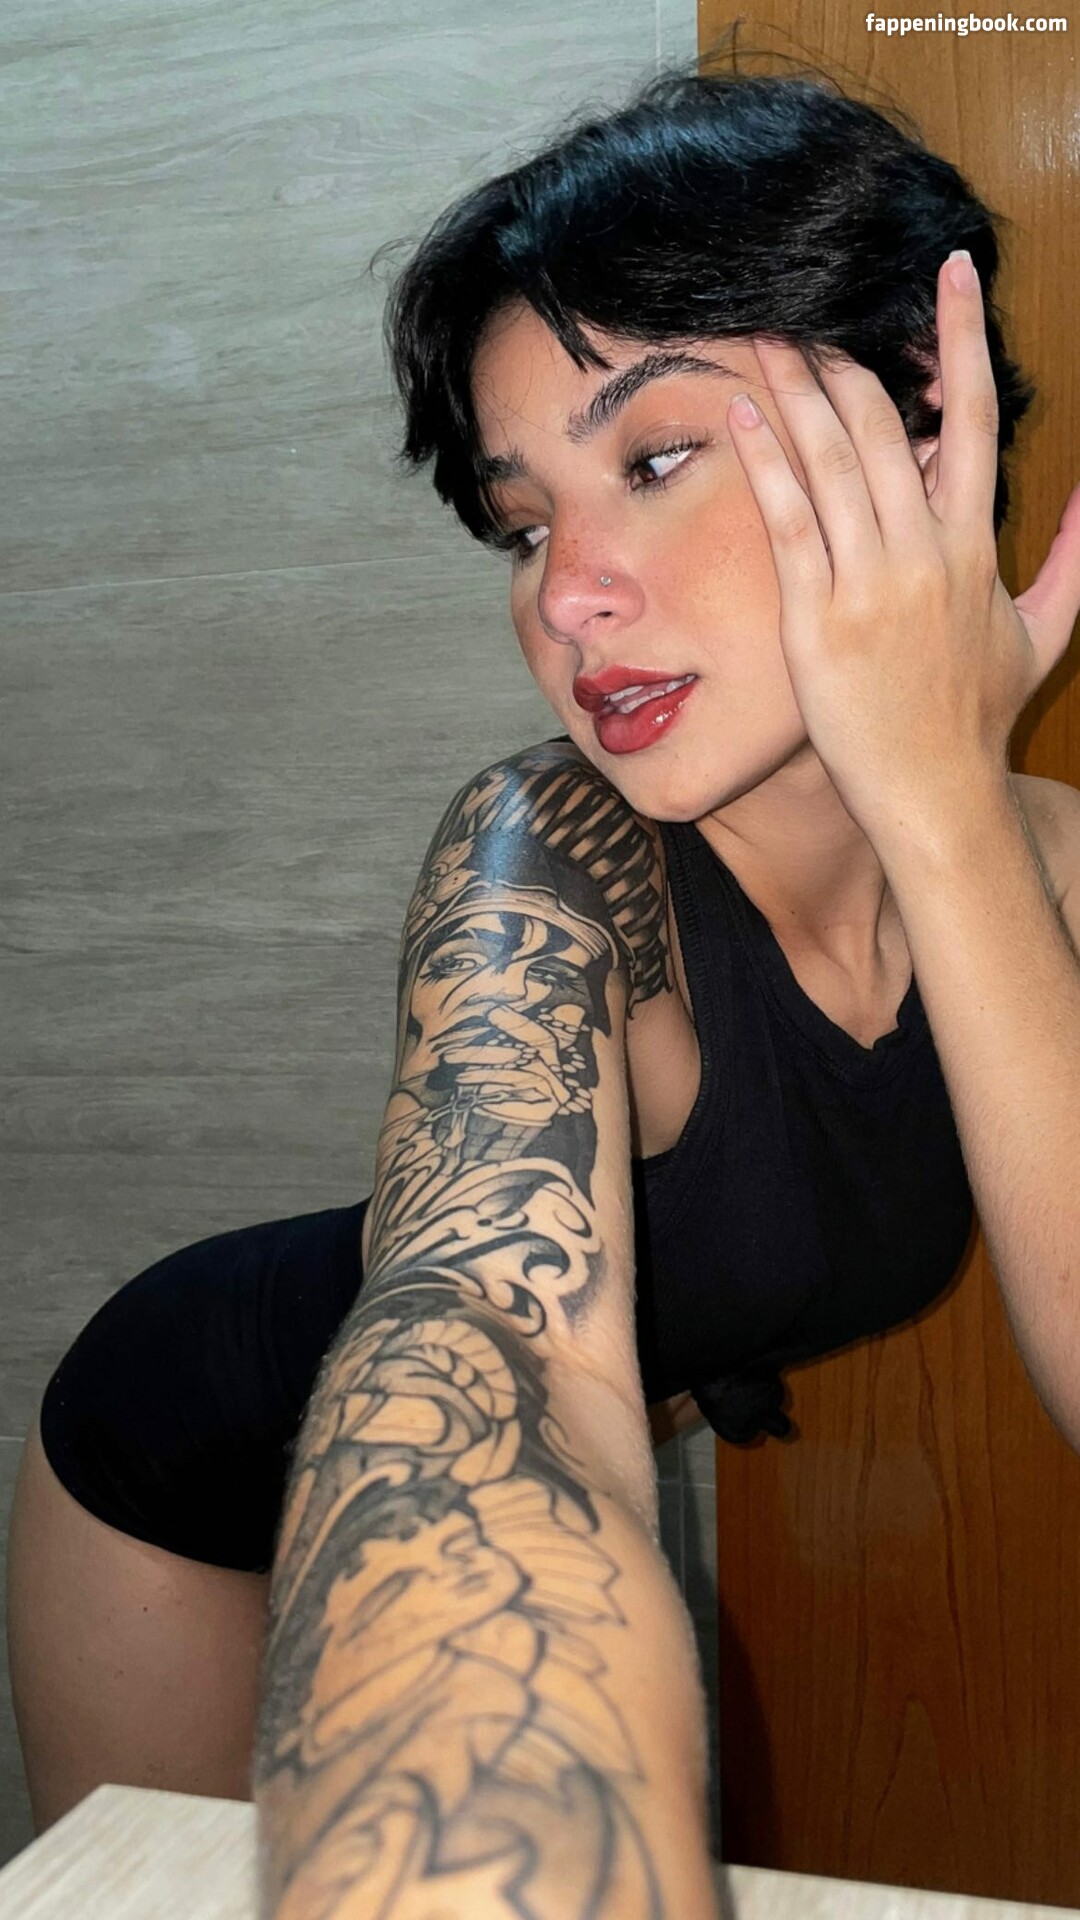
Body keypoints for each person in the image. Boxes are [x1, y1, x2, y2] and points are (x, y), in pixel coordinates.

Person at [8, 54, 1080, 1889]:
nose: (564, 593)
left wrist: (939, 800)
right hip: (187, 1476)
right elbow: (482, 1338)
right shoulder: (550, 859)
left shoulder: (1049, 863)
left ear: (922, 439)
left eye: (652, 460)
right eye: (521, 526)